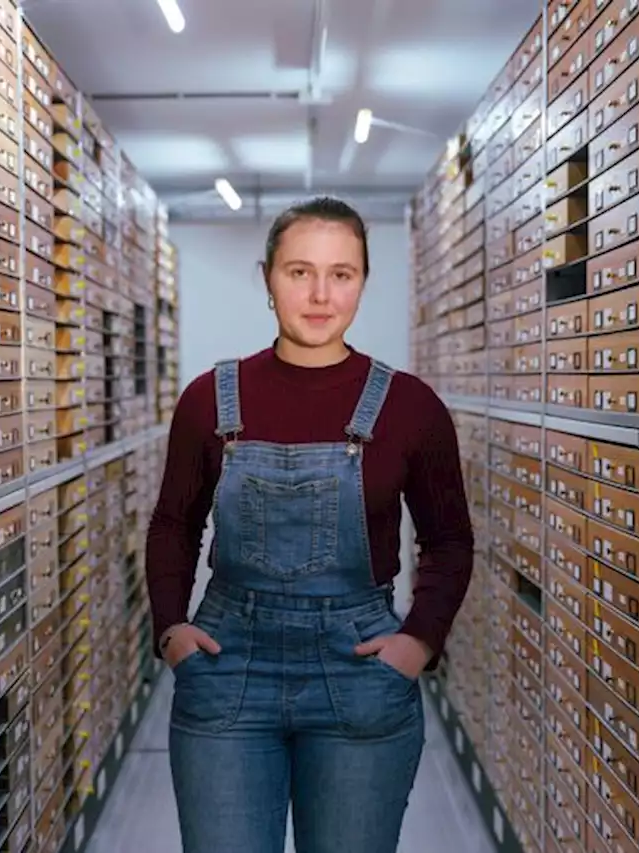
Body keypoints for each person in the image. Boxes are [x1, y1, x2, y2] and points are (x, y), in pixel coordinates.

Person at [145, 196, 475, 853]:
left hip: (360, 672)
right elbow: (172, 524)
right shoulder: (210, 398)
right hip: (228, 668)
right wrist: (170, 631)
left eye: (341, 273)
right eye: (300, 272)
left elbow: (449, 539)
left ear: (362, 281)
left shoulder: (412, 406)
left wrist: (419, 642)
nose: (320, 294)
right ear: (267, 277)